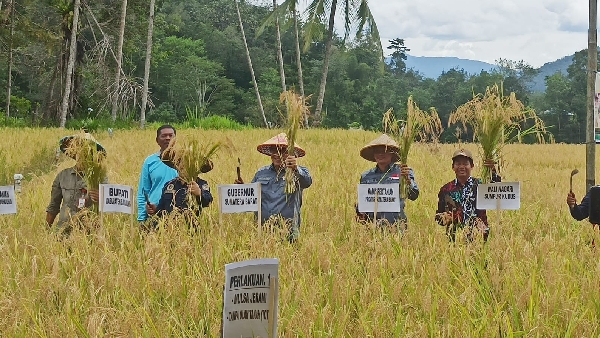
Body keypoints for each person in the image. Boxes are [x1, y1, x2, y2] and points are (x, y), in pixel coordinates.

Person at [235, 133, 312, 242]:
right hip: (263, 231)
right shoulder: (261, 173)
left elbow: (307, 182)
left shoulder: (298, 172)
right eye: (274, 150)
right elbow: (251, 199)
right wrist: (243, 189)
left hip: (288, 233)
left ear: (291, 154)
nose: (277, 154)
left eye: (282, 151)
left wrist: (295, 168)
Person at [46, 133, 108, 236]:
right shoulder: (63, 176)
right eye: (79, 149)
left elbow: (110, 204)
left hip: (89, 234)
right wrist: (46, 230)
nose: (82, 154)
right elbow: (53, 206)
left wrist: (101, 198)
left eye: (86, 151)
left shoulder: (99, 177)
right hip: (63, 233)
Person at [355, 134, 419, 231]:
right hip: (372, 227)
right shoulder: (366, 176)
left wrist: (407, 180)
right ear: (373, 154)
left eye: (384, 151)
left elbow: (414, 195)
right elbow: (365, 201)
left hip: (397, 226)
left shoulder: (403, 171)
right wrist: (360, 213)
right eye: (377, 151)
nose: (380, 154)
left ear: (392, 153)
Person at [435, 149, 500, 242]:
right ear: (453, 167)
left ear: (472, 166)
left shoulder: (481, 185)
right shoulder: (446, 189)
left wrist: (492, 171)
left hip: (480, 237)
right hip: (454, 240)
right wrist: (445, 217)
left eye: (465, 164)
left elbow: (497, 191)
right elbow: (439, 217)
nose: (462, 167)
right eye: (458, 164)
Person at [146, 150, 214, 229]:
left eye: (187, 163)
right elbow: (161, 211)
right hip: (170, 231)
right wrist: (154, 210)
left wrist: (199, 193)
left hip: (191, 232)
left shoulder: (200, 184)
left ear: (195, 167)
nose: (183, 165)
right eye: (180, 162)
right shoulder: (169, 185)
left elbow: (208, 201)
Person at [137, 125, 178, 223]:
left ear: (175, 139)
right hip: (154, 213)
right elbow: (143, 191)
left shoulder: (185, 160)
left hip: (179, 213)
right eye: (164, 136)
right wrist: (142, 219)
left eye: (170, 136)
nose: (168, 138)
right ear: (157, 140)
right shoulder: (150, 162)